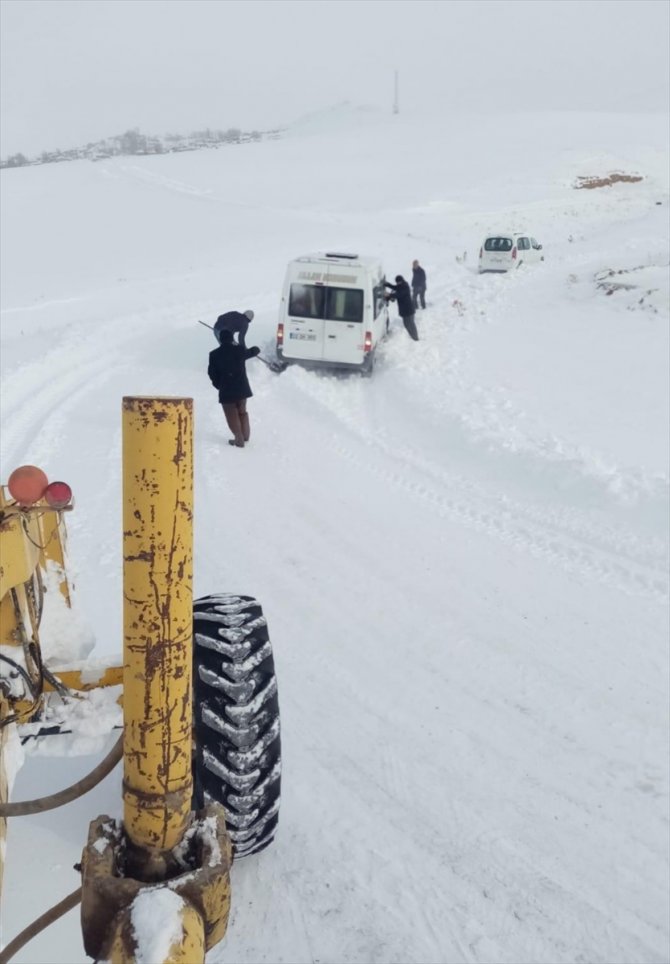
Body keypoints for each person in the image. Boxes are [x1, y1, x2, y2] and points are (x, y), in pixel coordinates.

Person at [208, 329, 260, 447]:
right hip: (242, 389)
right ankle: (245, 436)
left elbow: (211, 373)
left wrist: (219, 385)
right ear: (232, 339)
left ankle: (239, 439)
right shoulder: (240, 350)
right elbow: (253, 351)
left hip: (226, 390)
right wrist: (256, 349)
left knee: (231, 415)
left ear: (220, 340)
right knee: (242, 412)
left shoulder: (214, 354)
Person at [384, 275, 419, 341]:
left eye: (398, 282)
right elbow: (395, 287)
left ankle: (415, 338)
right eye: (397, 282)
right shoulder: (400, 285)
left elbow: (399, 294)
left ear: (401, 281)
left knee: (411, 324)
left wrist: (389, 295)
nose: (398, 283)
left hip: (409, 310)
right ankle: (413, 337)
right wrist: (388, 284)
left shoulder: (405, 286)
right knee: (406, 325)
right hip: (404, 310)